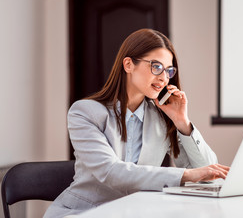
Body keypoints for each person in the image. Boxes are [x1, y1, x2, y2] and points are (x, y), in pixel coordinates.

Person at [44, 28, 229, 218]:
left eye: (168, 71)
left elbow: (208, 170)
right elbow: (110, 171)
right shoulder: (84, 112)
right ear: (128, 64)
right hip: (84, 212)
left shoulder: (162, 117)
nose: (163, 78)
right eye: (156, 67)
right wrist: (185, 176)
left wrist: (182, 122)